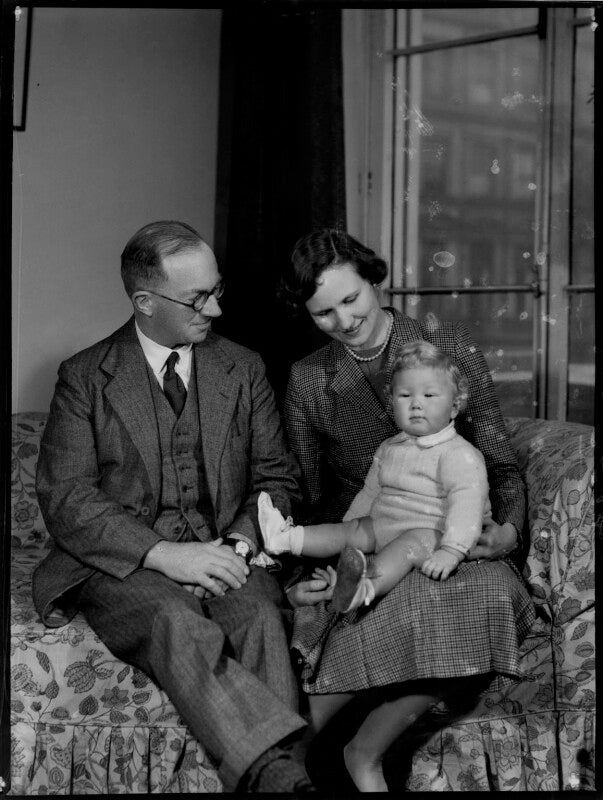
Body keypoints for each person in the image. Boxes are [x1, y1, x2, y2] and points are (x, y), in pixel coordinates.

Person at [32, 220, 313, 793]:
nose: (214, 309)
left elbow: (276, 477)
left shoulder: (244, 367)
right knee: (175, 621)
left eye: (217, 290)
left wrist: (238, 544)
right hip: (124, 563)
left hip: (226, 547)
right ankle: (284, 778)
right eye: (197, 298)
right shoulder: (85, 377)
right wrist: (165, 555)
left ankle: (276, 780)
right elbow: (66, 498)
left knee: (260, 616)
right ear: (144, 302)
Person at [278, 229, 536, 792]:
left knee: (465, 594)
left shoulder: (445, 347)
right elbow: (312, 493)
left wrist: (510, 532)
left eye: (351, 300)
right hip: (370, 537)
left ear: (374, 279)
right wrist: (306, 574)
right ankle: (298, 752)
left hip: (454, 537)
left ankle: (348, 749)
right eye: (324, 314)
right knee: (378, 595)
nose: (344, 321)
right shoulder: (308, 379)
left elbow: (500, 463)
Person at [259, 340, 493, 617]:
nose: (416, 404)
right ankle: (283, 539)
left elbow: (467, 504)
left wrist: (452, 550)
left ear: (454, 407)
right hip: (386, 524)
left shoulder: (459, 454)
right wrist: (351, 529)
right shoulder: (390, 447)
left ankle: (364, 589)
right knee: (348, 530)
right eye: (405, 396)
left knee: (407, 547)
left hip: (434, 531)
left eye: (429, 396)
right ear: (392, 402)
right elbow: (371, 493)